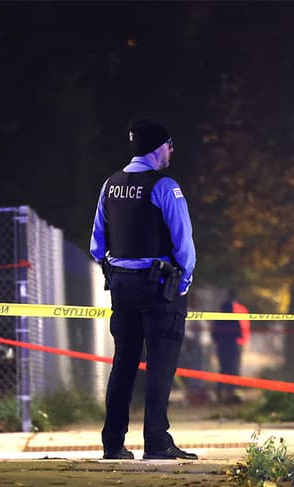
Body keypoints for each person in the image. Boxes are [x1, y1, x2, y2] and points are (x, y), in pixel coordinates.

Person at [90, 118, 197, 460]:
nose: (171, 151)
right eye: (168, 145)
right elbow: (184, 243)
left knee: (123, 363)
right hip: (159, 287)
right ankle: (156, 440)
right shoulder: (164, 186)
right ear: (157, 147)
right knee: (161, 363)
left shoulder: (110, 185)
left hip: (121, 286)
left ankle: (112, 443)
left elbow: (97, 245)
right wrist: (183, 281)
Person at [210, 290, 249, 403]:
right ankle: (231, 392)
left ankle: (220, 391)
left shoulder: (219, 319)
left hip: (222, 348)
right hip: (233, 348)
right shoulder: (233, 319)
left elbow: (214, 335)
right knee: (233, 370)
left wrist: (221, 340)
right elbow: (239, 333)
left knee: (223, 369)